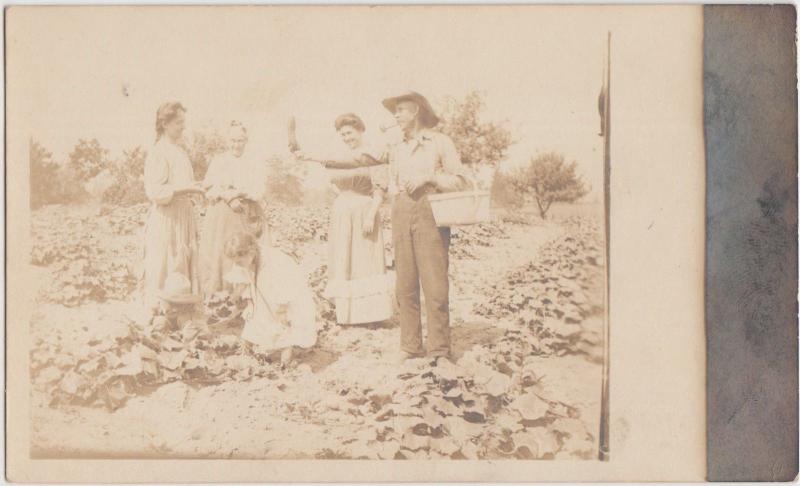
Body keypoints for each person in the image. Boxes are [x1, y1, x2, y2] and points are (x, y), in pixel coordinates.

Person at [382, 91, 468, 362]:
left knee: (435, 286)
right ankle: (410, 346)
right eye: (394, 111)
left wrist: (428, 177)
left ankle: (440, 350)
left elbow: (460, 180)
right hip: (401, 214)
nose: (396, 116)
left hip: (430, 215)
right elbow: (362, 158)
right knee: (404, 284)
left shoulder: (440, 142)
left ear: (416, 111)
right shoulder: (396, 146)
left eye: (400, 110)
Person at [297, 113, 392, 325]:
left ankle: (372, 316)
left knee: (365, 262)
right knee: (344, 261)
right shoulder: (339, 156)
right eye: (342, 135)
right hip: (342, 213)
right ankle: (348, 315)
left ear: (360, 130)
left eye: (349, 133)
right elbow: (332, 181)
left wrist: (370, 214)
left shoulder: (372, 155)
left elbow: (380, 190)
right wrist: (342, 198)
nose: (347, 138)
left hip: (363, 211)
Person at [142, 102, 204, 314]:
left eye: (183, 123)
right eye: (179, 123)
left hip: (183, 216)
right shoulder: (158, 152)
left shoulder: (179, 152)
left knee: (180, 264)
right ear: (165, 124)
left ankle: (179, 313)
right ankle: (158, 313)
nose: (182, 127)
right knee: (164, 263)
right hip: (168, 218)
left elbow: (185, 184)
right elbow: (154, 191)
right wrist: (186, 188)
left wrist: (196, 188)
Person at [223, 232, 318, 368]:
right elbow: (242, 276)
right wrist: (236, 294)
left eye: (239, 262)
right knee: (256, 315)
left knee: (284, 326)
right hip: (264, 295)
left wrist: (282, 310)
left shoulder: (274, 262)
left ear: (250, 252)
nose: (237, 265)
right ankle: (247, 350)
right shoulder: (246, 258)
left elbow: (285, 289)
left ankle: (287, 358)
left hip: (288, 296)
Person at [198, 121, 268, 297]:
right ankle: (221, 294)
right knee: (221, 252)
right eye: (233, 140)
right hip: (222, 215)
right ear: (227, 141)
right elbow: (209, 187)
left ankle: (245, 294)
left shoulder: (254, 162)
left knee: (245, 250)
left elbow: (259, 190)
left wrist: (239, 193)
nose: (236, 145)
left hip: (246, 212)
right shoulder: (219, 161)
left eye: (240, 140)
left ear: (246, 141)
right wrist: (228, 196)